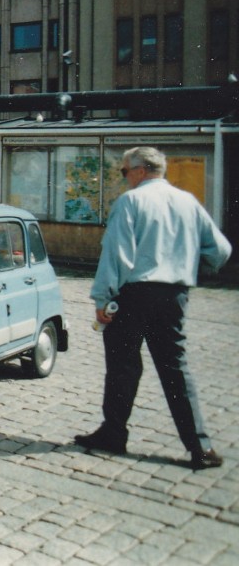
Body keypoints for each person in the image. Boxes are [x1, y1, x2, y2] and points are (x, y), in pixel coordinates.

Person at [75, 147, 231, 470]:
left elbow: (116, 254)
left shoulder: (131, 202)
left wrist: (103, 299)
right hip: (174, 294)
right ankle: (199, 447)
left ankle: (114, 433)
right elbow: (220, 250)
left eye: (124, 172)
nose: (124, 178)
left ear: (140, 171)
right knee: (175, 369)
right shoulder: (188, 201)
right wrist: (188, 266)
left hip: (134, 294)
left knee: (123, 365)